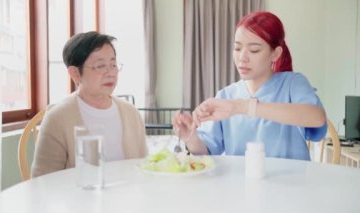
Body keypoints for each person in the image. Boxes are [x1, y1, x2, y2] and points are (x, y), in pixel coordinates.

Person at [173, 11, 327, 161]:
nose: (242, 58)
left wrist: (243, 107)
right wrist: (190, 137)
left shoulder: (292, 84)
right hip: (242, 184)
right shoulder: (226, 96)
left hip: (292, 184)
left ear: (275, 53)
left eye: (254, 50)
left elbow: (317, 118)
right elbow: (207, 151)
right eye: (237, 48)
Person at [31, 31, 147, 177]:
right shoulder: (57, 118)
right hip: (77, 198)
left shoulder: (131, 113)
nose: (111, 72)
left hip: (127, 197)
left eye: (113, 64)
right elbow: (42, 182)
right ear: (75, 74)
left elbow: (144, 169)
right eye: (100, 66)